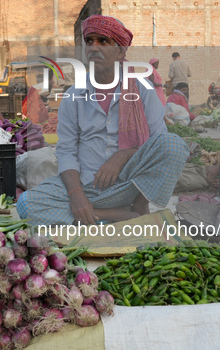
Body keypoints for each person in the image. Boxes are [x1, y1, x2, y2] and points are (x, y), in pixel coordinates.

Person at [17, 15, 189, 227]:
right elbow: (66, 151)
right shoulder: (74, 95)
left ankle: (136, 205)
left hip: (132, 185)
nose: (94, 47)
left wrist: (124, 155)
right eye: (90, 41)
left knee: (175, 145)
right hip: (87, 186)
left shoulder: (143, 91)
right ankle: (114, 214)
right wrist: (76, 195)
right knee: (26, 204)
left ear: (120, 51)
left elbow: (159, 142)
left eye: (103, 41)